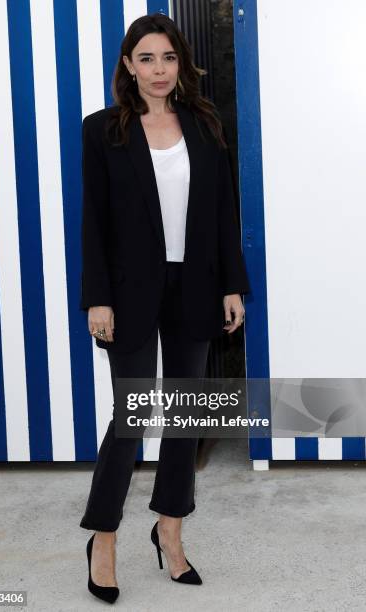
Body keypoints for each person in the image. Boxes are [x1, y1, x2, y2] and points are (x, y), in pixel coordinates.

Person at [79, 13, 251, 605]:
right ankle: (103, 539)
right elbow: (93, 222)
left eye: (169, 57)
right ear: (128, 66)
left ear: (182, 63)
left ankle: (170, 531)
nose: (158, 70)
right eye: (146, 58)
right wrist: (97, 297)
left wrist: (233, 285)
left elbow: (224, 211)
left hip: (197, 285)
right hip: (128, 291)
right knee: (131, 417)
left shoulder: (205, 125)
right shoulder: (103, 130)